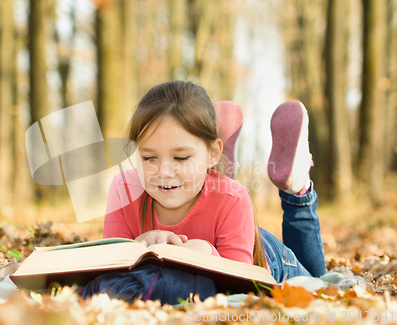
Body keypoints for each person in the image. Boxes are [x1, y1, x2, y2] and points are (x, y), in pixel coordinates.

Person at [81, 81, 327, 304]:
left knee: (320, 285)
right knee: (219, 194)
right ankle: (211, 176)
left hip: (263, 256)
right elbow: (111, 269)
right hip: (225, 219)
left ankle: (298, 190)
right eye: (149, 157)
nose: (164, 171)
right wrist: (138, 248)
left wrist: (207, 254)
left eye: (180, 157)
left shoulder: (235, 199)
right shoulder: (124, 188)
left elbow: (240, 291)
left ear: (212, 152)